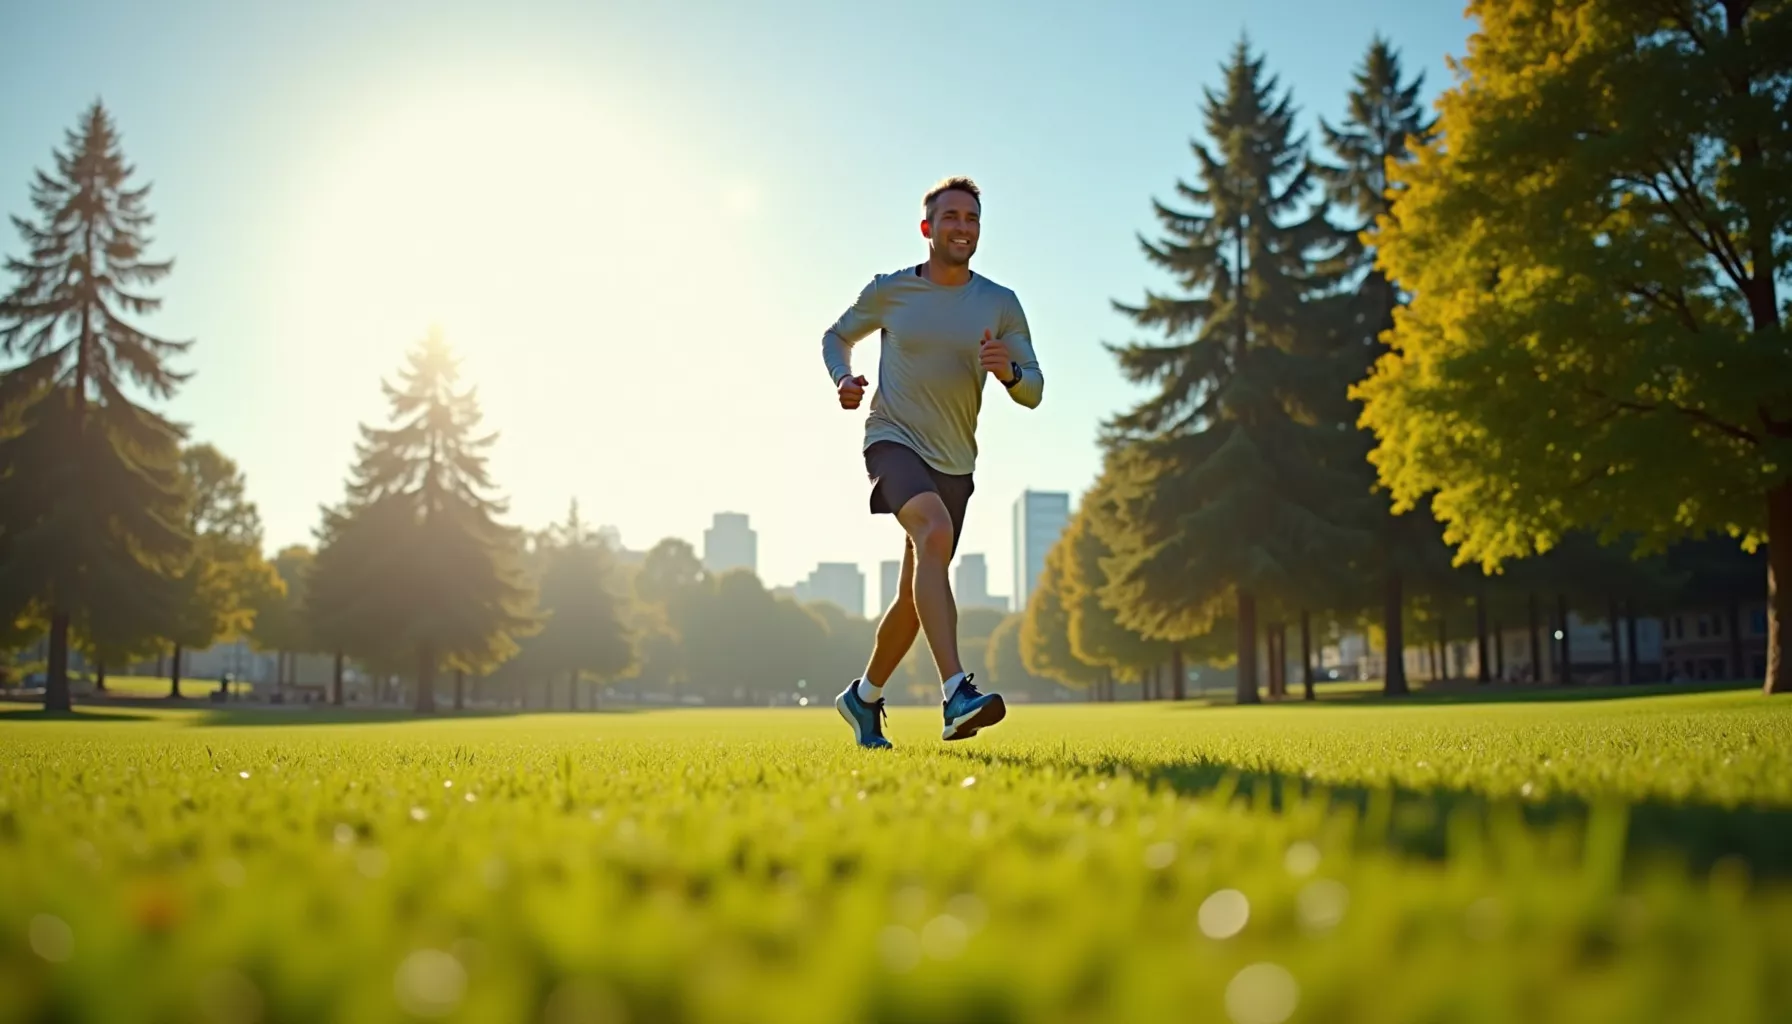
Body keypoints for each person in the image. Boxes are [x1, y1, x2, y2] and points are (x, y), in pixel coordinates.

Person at [821, 175, 1044, 749]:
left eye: (971, 219)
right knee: (935, 532)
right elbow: (836, 336)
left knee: (916, 597)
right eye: (951, 218)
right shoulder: (891, 291)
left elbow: (1035, 390)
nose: (962, 228)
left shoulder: (1000, 303)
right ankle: (956, 694)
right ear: (928, 228)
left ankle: (863, 699)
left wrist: (1008, 371)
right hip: (892, 438)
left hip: (955, 461)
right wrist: (843, 378)